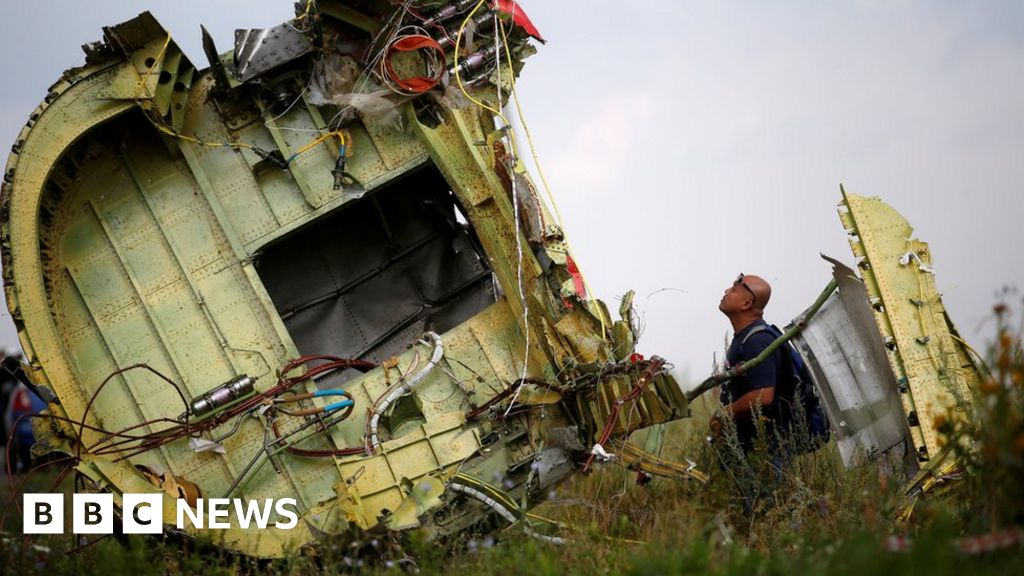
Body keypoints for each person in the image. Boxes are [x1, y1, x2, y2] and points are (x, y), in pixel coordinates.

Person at [709, 273, 788, 453]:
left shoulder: (757, 340)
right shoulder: (745, 337)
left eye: (734, 290)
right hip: (749, 444)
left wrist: (723, 414)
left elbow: (764, 395)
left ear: (746, 304)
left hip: (764, 449)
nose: (726, 291)